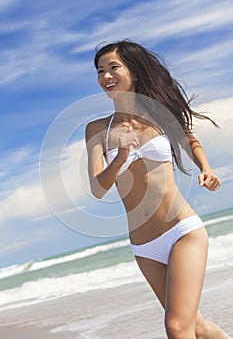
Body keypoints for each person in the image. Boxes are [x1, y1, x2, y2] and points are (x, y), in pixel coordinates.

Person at [85, 40, 231, 339]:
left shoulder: (158, 113)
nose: (106, 76)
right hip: (144, 247)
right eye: (100, 71)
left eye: (114, 67)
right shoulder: (97, 129)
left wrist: (206, 168)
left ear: (133, 72)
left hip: (182, 231)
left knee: (177, 328)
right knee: (197, 328)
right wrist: (121, 157)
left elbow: (189, 139)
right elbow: (98, 188)